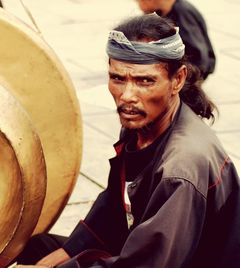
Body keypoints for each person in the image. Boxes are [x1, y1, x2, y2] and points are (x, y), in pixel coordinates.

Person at [14, 13, 240, 268]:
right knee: (35, 249)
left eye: (145, 81)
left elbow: (147, 263)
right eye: (118, 78)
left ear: (177, 80)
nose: (127, 96)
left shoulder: (181, 167)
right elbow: (113, 204)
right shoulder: (144, 121)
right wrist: (64, 254)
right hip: (144, 247)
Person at [136, 0, 216, 80]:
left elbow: (198, 57)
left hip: (194, 71)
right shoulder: (168, 10)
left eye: (139, 1)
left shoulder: (182, 13)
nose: (140, 7)